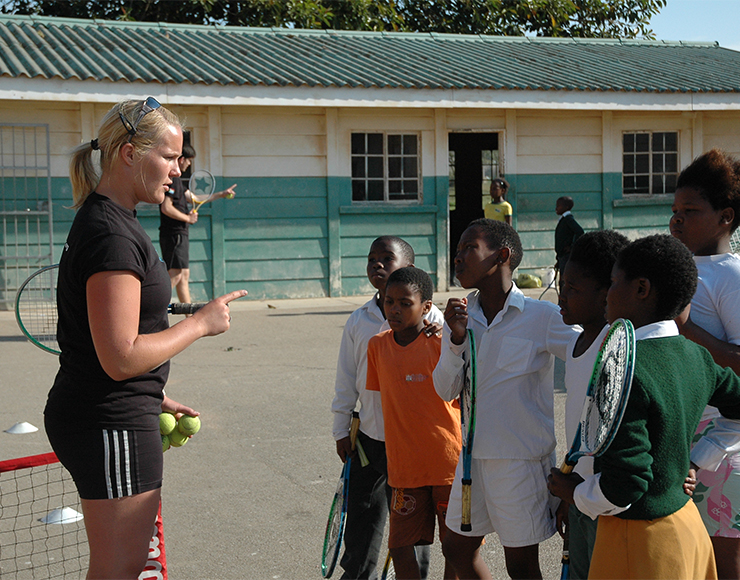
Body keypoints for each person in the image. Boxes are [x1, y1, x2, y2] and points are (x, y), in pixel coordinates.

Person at [44, 97, 247, 580]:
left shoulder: (115, 219)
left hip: (114, 413)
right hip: (107, 422)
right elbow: (119, 357)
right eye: (169, 157)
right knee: (119, 568)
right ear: (129, 155)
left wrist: (156, 393)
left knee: (125, 564)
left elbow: (108, 348)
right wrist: (199, 324)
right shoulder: (111, 235)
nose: (178, 171)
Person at [546, 234, 740, 580]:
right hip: (685, 528)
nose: (608, 292)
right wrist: (699, 458)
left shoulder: (622, 369)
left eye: (615, 282)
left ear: (642, 289)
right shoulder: (695, 354)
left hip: (637, 540)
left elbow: (625, 484)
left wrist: (575, 493)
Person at [433, 218, 579, 580]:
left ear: (501, 255)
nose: (459, 257)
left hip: (520, 460)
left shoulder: (541, 317)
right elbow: (445, 390)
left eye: (470, 248)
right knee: (456, 548)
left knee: (521, 564)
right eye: (458, 250)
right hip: (472, 460)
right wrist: (454, 339)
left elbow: (588, 353)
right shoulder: (461, 316)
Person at [331, 236, 442, 579]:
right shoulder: (359, 320)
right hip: (370, 440)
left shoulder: (434, 321)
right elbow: (346, 378)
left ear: (408, 268)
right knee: (363, 524)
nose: (377, 264)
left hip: (414, 445)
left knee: (411, 531)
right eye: (371, 259)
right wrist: (340, 428)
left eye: (386, 258)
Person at [669, 148, 740, 579]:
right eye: (674, 210)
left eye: (691, 211)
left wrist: (689, 328)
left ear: (725, 216)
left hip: (724, 446)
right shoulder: (676, 268)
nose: (677, 219)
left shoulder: (730, 276)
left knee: (724, 563)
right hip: (682, 437)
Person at [366, 267, 461, 580]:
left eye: (405, 303)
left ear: (426, 307)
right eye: (388, 301)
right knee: (401, 546)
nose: (394, 309)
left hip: (448, 465)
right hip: (404, 468)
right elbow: (385, 405)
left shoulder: (442, 344)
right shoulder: (377, 346)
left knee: (456, 549)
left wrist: (445, 333)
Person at [556, 230, 629, 579]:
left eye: (573, 289)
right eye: (562, 284)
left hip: (605, 501)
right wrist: (568, 495)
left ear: (605, 294)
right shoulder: (577, 341)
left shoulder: (613, 346)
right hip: (578, 496)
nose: (562, 295)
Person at [159, 143, 236, 303]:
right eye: (188, 161)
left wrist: (221, 194)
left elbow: (195, 198)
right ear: (181, 159)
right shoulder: (171, 181)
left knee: (183, 275)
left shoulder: (179, 182)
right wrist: (188, 218)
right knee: (176, 273)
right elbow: (166, 208)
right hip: (174, 234)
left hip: (181, 234)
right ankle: (152, 309)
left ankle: (190, 317)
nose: (189, 164)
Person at [554, 196, 584, 289]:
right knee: (561, 280)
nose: (556, 208)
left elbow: (580, 231)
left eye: (558, 206)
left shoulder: (568, 219)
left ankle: (564, 301)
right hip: (562, 256)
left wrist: (572, 247)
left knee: (564, 280)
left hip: (566, 257)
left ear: (566, 207)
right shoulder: (563, 219)